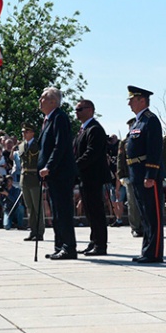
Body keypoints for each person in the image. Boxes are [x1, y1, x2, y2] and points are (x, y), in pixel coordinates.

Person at [37, 86, 78, 260]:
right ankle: (59, 244)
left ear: (54, 101)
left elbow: (60, 146)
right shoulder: (49, 119)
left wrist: (49, 166)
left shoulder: (60, 118)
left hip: (60, 173)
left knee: (63, 211)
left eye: (43, 98)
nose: (40, 101)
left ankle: (69, 247)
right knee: (56, 211)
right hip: (53, 175)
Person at [126, 85, 165, 263]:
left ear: (142, 100)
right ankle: (147, 250)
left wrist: (150, 174)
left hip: (147, 174)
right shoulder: (137, 122)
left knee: (153, 214)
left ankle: (154, 252)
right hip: (136, 172)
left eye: (132, 100)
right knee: (145, 215)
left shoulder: (151, 120)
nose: (129, 104)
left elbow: (154, 149)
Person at [73, 99, 111, 255]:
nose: (77, 112)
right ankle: (94, 240)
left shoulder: (95, 129)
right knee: (89, 211)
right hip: (85, 177)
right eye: (76, 109)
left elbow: (91, 153)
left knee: (96, 211)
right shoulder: (83, 129)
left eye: (80, 109)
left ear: (90, 110)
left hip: (93, 177)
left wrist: (74, 166)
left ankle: (100, 245)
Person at [117, 118, 143, 237]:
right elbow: (120, 159)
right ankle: (135, 227)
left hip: (142, 174)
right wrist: (121, 175)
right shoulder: (124, 141)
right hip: (130, 174)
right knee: (132, 203)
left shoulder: (143, 138)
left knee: (143, 201)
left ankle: (145, 226)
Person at [19, 122, 43, 242]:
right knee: (29, 207)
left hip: (35, 177)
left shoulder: (38, 144)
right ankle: (33, 230)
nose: (24, 134)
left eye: (26, 132)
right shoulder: (21, 146)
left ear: (32, 133)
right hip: (25, 178)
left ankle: (39, 231)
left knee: (37, 207)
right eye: (23, 132)